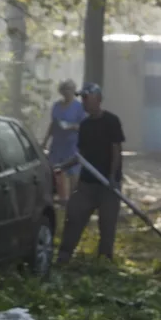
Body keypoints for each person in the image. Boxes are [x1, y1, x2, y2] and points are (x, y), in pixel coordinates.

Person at [55, 83, 126, 263]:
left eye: (87, 97)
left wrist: (112, 177)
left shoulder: (111, 121)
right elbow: (82, 155)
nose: (84, 102)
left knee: (107, 225)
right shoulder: (85, 125)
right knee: (74, 215)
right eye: (82, 98)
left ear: (98, 99)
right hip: (87, 183)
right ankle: (63, 257)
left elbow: (116, 150)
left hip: (108, 184)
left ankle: (104, 261)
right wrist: (63, 166)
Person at [42, 79, 86, 203]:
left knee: (73, 172)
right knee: (57, 171)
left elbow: (84, 126)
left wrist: (72, 126)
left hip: (72, 144)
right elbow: (53, 124)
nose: (67, 92)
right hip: (58, 144)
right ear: (61, 91)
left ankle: (75, 199)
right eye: (65, 89)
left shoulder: (79, 107)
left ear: (73, 91)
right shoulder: (56, 106)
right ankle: (63, 199)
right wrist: (45, 141)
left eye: (70, 90)